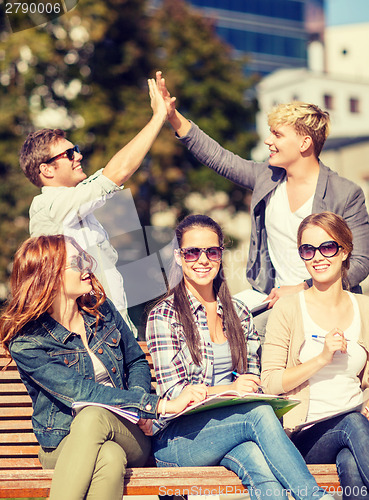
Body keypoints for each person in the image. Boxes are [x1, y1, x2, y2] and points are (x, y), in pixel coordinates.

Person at [0, 235, 204, 500]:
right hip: (63, 443)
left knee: (94, 418)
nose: (88, 267)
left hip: (126, 430)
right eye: (77, 262)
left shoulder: (102, 310)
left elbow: (136, 361)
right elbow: (79, 392)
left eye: (85, 258)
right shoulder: (28, 341)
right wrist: (159, 406)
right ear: (48, 275)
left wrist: (140, 411)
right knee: (108, 455)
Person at [146, 214, 335, 500]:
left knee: (261, 469)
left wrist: (247, 387)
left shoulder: (239, 313)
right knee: (258, 414)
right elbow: (173, 395)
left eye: (211, 251)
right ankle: (316, 497)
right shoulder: (164, 315)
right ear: (179, 256)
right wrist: (228, 389)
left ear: (221, 254)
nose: (202, 260)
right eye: (192, 252)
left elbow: (252, 378)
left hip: (232, 429)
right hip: (178, 440)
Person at [155, 71, 369, 312]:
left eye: (277, 134)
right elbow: (219, 158)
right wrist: (172, 116)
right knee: (218, 321)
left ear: (304, 143)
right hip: (271, 298)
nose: (268, 140)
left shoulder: (346, 193)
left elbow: (360, 263)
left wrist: (304, 288)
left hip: (324, 304)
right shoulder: (266, 177)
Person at [19, 78, 169, 336]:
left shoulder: (77, 203)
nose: (78, 155)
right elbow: (117, 173)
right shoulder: (47, 205)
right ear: (46, 169)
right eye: (68, 154)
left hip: (115, 330)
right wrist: (158, 117)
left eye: (75, 149)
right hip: (85, 338)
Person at [261, 212, 369, 500]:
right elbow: (270, 383)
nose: (318, 257)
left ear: (345, 251)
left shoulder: (364, 307)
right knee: (353, 424)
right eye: (308, 250)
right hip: (305, 436)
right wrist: (321, 358)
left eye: (328, 247)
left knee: (350, 461)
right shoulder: (288, 308)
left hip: (356, 434)